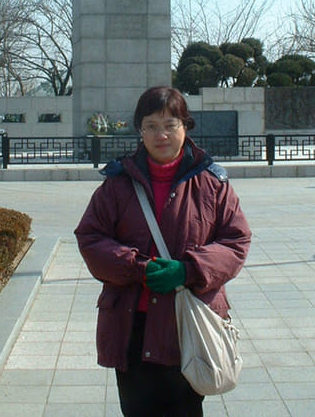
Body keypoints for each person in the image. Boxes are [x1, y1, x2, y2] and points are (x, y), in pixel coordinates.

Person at [75, 86, 251, 416]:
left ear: (186, 127)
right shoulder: (117, 183)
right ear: (139, 130)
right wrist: (136, 267)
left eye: (171, 124)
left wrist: (189, 270)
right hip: (132, 327)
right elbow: (91, 237)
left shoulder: (212, 184)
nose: (161, 134)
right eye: (151, 125)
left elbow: (236, 241)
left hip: (187, 324)